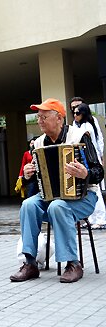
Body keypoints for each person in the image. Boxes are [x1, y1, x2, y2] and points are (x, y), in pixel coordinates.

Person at [10, 98, 103, 283]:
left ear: (59, 119)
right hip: (51, 198)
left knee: (57, 206)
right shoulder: (38, 144)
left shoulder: (79, 137)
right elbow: (39, 184)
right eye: (38, 117)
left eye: (44, 116)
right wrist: (28, 175)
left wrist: (86, 173)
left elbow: (99, 172)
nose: (40, 121)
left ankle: (73, 264)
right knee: (28, 205)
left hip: (84, 197)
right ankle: (30, 263)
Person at [71, 103, 106, 229]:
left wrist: (100, 158)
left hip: (91, 161)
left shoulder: (87, 126)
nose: (75, 115)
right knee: (87, 190)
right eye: (74, 113)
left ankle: (101, 219)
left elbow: (97, 143)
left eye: (77, 113)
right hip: (84, 161)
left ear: (83, 113)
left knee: (95, 190)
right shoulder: (79, 125)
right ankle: (91, 218)